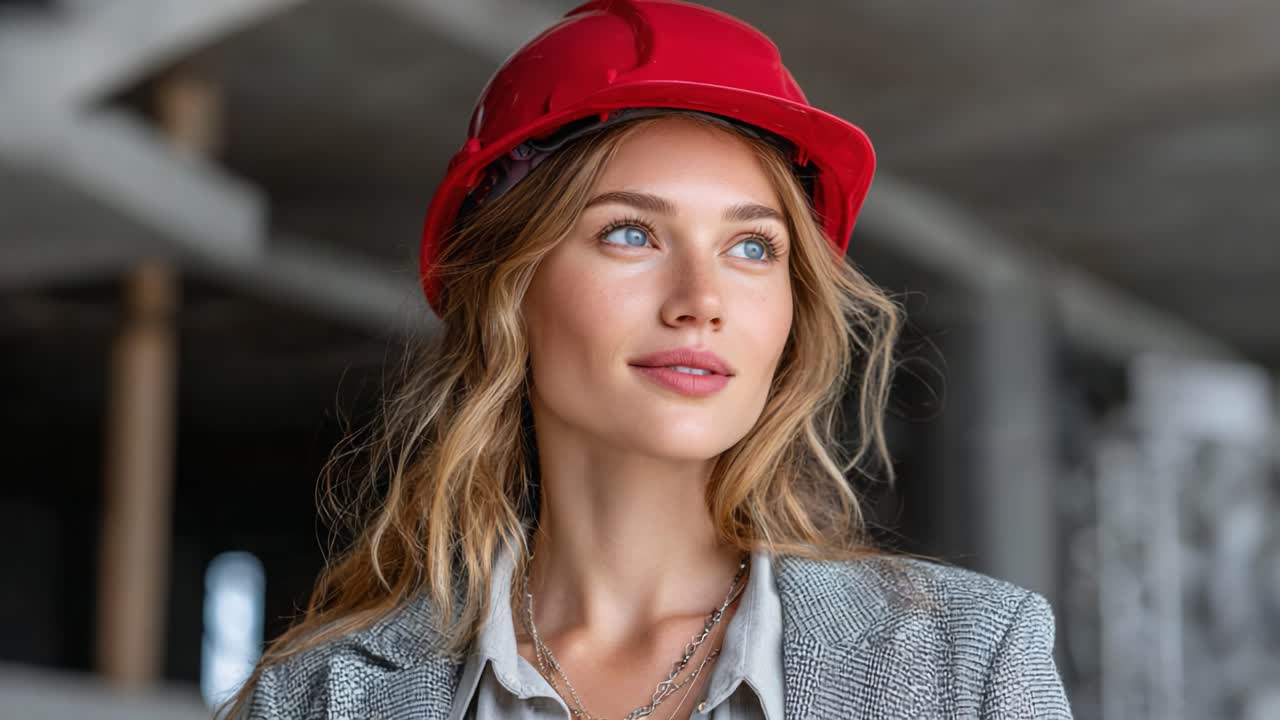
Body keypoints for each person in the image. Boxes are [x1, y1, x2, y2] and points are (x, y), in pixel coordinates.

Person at [225, 1, 1073, 718]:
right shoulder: (313, 699)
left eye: (751, 247)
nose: (701, 298)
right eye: (629, 233)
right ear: (507, 290)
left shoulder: (970, 667)